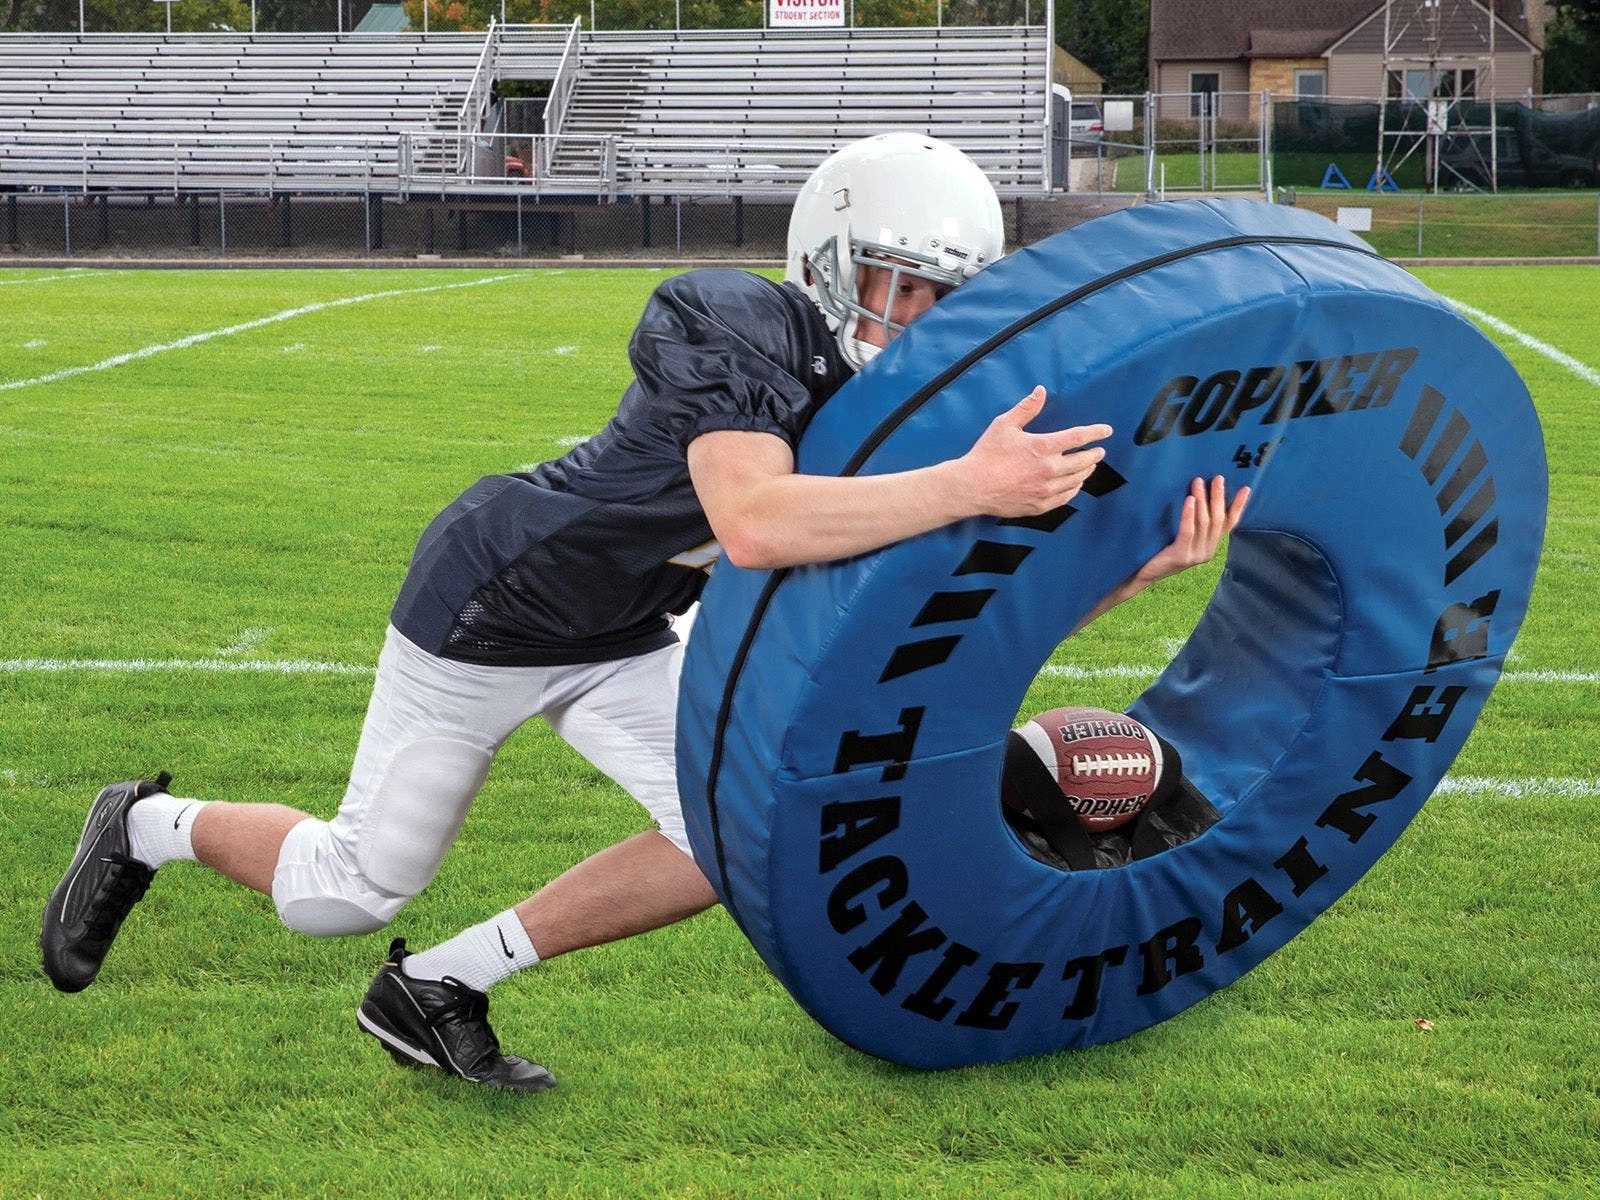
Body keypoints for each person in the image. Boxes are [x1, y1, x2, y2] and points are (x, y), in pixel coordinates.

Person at [40, 132, 1248, 1093]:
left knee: (728, 835)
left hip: (633, 622)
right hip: (495, 602)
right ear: (828, 255)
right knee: (342, 892)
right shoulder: (738, 320)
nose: (915, 318)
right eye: (897, 282)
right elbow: (757, 525)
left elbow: (928, 616)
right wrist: (974, 484)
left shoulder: (900, 410)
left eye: (940, 296)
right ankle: (144, 825)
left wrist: (1122, 574)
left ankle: (444, 984)